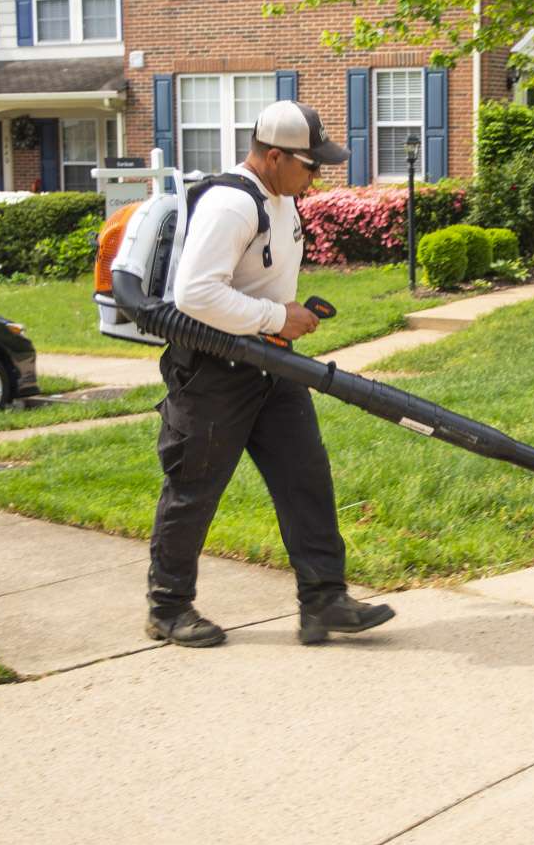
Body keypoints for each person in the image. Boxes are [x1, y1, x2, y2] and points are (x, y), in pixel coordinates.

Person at [145, 99, 397, 648]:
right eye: (310, 166)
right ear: (275, 155)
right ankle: (168, 608)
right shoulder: (232, 205)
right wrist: (277, 317)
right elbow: (194, 295)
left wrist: (279, 320)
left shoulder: (279, 198)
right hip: (212, 373)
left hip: (270, 365)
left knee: (305, 478)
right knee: (195, 488)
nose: (316, 177)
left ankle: (324, 601)